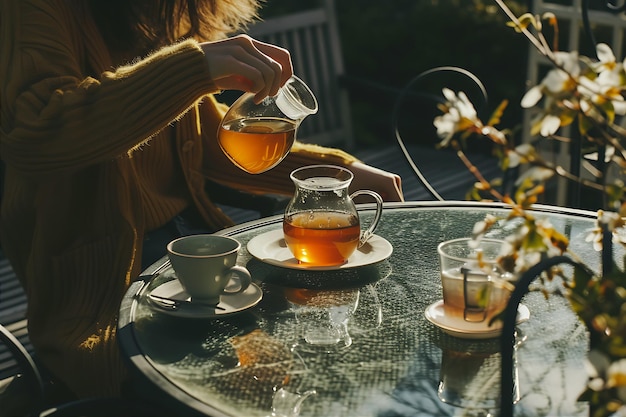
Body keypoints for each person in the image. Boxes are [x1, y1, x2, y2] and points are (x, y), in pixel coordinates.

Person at [0, 0, 403, 403]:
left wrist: (339, 173)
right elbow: (33, 132)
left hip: (199, 240)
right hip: (102, 279)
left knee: (322, 330)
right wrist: (191, 70)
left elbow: (208, 139)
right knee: (232, 378)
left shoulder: (164, 10)